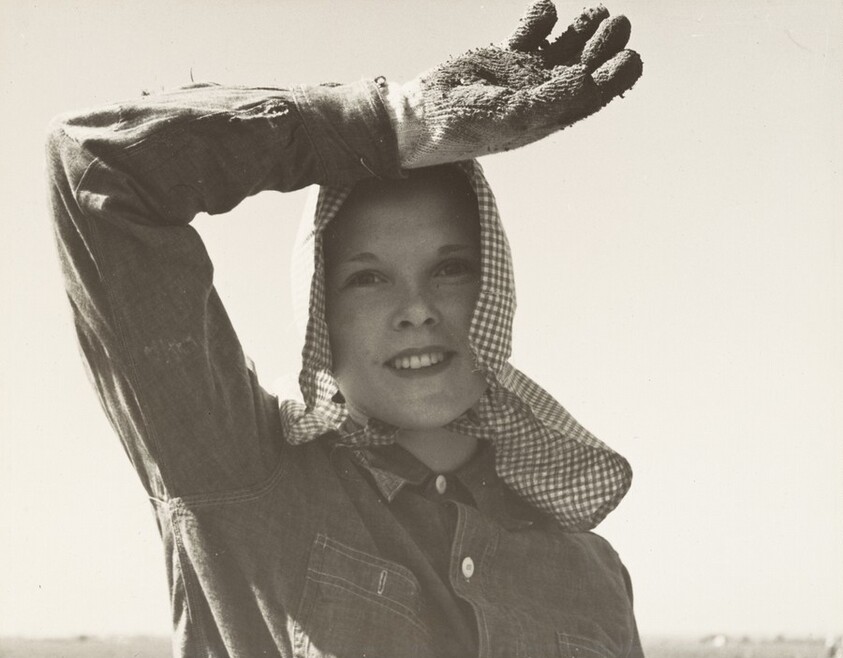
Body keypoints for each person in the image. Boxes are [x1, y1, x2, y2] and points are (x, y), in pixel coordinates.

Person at [46, 1, 644, 656]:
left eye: (449, 269)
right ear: (319, 310)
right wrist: (396, 123)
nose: (415, 309)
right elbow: (96, 166)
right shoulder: (240, 474)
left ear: (494, 287)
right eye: (368, 277)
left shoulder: (591, 571)